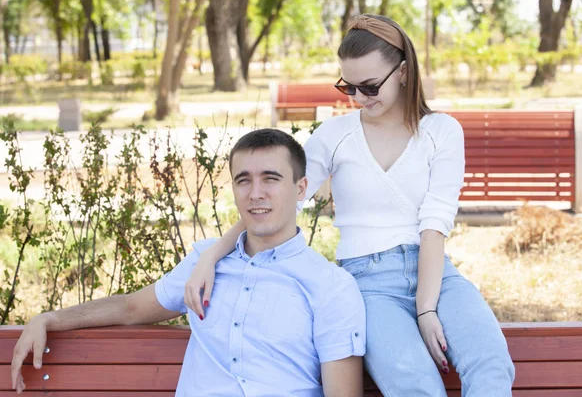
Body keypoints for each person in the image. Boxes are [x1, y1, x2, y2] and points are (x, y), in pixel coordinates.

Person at [183, 14, 515, 397]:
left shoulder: (442, 132)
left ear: (404, 72)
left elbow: (434, 225)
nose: (359, 98)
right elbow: (275, 202)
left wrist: (426, 308)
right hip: (366, 283)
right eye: (349, 87)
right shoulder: (336, 136)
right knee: (415, 385)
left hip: (437, 275)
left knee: (491, 365)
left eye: (370, 86)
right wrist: (211, 256)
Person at [11, 128, 367, 397]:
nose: (255, 193)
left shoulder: (331, 286)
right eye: (244, 180)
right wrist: (50, 318)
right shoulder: (205, 262)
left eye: (270, 179)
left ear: (301, 188)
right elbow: (131, 307)